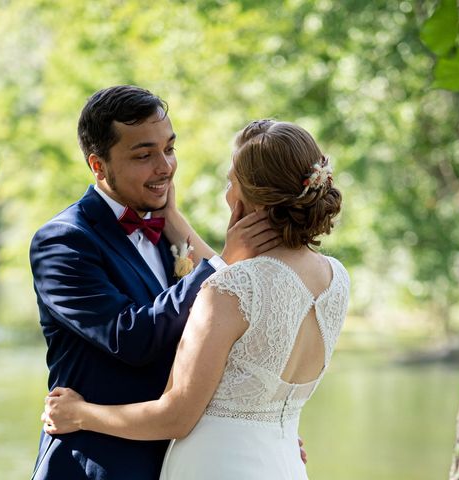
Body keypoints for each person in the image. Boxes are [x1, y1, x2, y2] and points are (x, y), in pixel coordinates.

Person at [41, 119, 350, 479]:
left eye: (230, 181)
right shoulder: (334, 279)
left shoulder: (227, 291)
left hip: (215, 464)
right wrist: (172, 217)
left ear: (246, 196)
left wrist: (80, 414)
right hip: (281, 463)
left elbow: (176, 416)